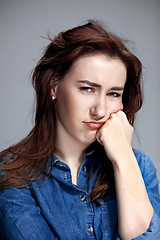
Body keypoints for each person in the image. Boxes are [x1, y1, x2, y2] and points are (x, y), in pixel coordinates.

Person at [0, 20, 160, 240]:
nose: (100, 110)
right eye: (87, 89)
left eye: (114, 93)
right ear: (54, 86)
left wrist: (123, 157)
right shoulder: (11, 174)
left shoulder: (140, 168)